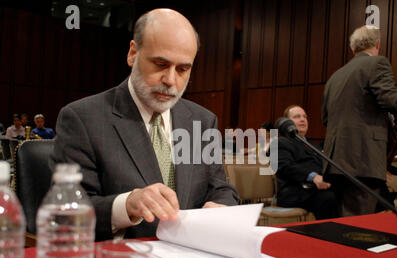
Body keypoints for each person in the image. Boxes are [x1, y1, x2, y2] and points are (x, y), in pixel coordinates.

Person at [51, 9, 239, 241]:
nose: (171, 80)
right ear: (133, 54)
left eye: (183, 69)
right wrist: (127, 205)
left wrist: (219, 205)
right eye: (160, 64)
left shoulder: (202, 120)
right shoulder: (82, 118)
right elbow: (67, 211)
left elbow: (221, 188)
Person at [321, 25, 397, 217]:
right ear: (378, 45)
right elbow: (392, 99)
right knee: (360, 224)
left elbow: (325, 118)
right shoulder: (377, 63)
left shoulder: (335, 77)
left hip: (336, 161)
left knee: (344, 218)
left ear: (353, 49)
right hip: (362, 158)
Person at [274, 105, 338, 220]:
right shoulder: (280, 143)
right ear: (286, 123)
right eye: (297, 117)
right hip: (294, 191)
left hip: (316, 189)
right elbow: (284, 167)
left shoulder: (313, 145)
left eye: (305, 117)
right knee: (328, 198)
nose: (302, 119)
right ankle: (326, 235)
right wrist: (313, 177)